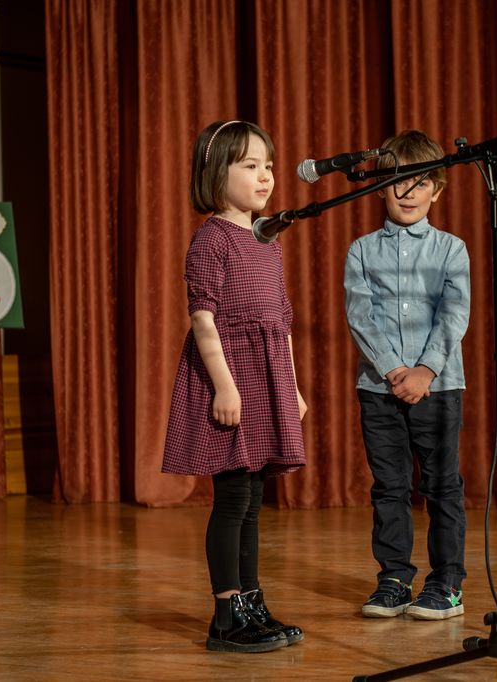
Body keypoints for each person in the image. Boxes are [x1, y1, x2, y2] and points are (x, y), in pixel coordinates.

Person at [163, 120, 307, 652]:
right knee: (231, 500)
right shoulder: (212, 239)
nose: (265, 176)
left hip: (266, 380)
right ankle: (226, 616)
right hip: (231, 377)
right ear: (216, 174)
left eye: (268, 165)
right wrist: (225, 387)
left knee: (252, 500)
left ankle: (252, 601)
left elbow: (280, 321)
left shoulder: (267, 240)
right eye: (250, 165)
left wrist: (291, 387)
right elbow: (203, 320)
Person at [344, 129, 471, 620]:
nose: (408, 191)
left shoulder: (451, 249)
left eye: (420, 182)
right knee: (389, 487)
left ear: (437, 190)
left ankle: (447, 584)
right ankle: (394, 579)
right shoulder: (361, 250)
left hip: (439, 386)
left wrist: (424, 370)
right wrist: (395, 369)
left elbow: (454, 314)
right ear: (381, 187)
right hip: (379, 387)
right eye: (398, 181)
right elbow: (360, 315)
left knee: (442, 486)